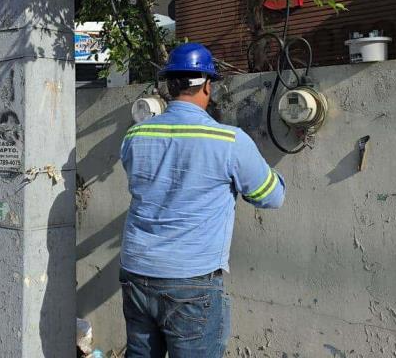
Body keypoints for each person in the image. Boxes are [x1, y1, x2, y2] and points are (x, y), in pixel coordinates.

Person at [119, 42, 286, 357]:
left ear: (170, 86)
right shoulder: (229, 141)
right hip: (190, 282)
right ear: (208, 85)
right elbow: (271, 197)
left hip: (136, 272)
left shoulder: (135, 136)